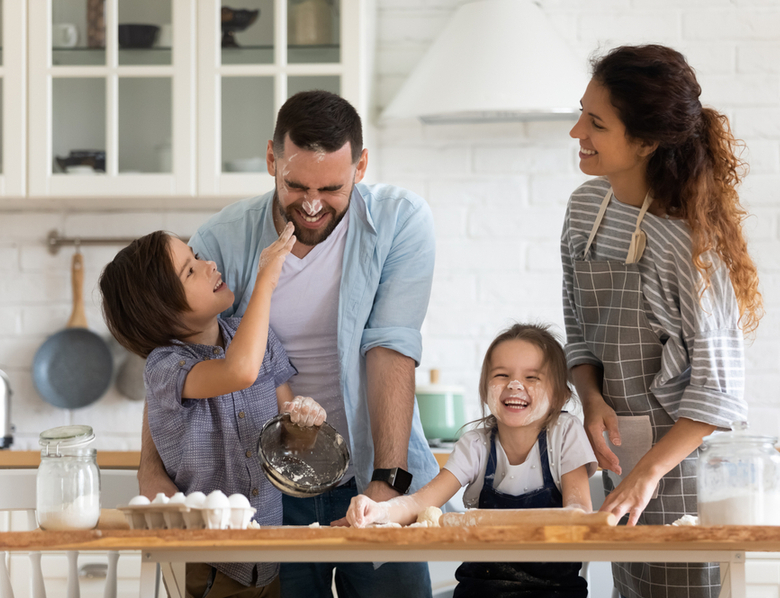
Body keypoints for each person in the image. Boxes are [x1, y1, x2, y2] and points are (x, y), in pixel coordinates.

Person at [136, 90, 440, 598]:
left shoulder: (400, 222)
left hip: (376, 472)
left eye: (332, 187)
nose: (313, 204)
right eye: (296, 185)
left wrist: (386, 482)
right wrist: (150, 470)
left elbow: (390, 349)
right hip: (267, 489)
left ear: (361, 166)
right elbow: (173, 358)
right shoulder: (222, 241)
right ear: (272, 160)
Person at [561, 44, 763, 598]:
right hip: (620, 458)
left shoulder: (686, 245)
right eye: (581, 113)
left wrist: (646, 473)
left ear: (646, 142)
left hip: (682, 476)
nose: (577, 131)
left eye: (597, 123)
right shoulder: (583, 210)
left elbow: (719, 393)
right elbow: (578, 331)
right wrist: (591, 398)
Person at [100, 222, 328, 598]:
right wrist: (266, 280)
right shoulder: (165, 368)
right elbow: (238, 371)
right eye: (190, 271)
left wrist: (305, 420)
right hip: (208, 566)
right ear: (161, 310)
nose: (209, 265)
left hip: (269, 559)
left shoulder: (260, 340)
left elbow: (289, 443)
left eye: (197, 257)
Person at [348, 323, 598, 598]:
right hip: (481, 590)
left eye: (532, 377)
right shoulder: (476, 445)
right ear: (484, 389)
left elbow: (578, 513)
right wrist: (378, 511)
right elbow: (420, 503)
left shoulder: (565, 434)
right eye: (502, 375)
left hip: (555, 591)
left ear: (561, 395)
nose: (515, 385)